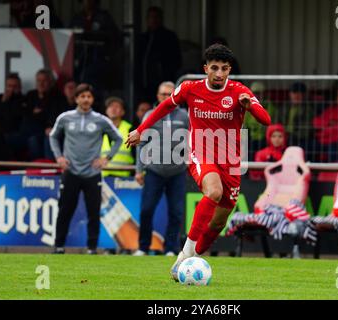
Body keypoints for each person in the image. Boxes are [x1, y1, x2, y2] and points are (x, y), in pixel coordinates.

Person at [126, 44, 271, 280]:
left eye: (224, 69)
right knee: (213, 192)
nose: (219, 73)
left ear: (229, 69)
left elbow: (266, 120)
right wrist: (142, 130)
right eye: (214, 68)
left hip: (231, 162)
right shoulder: (190, 89)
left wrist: (250, 106)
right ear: (206, 68)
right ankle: (184, 255)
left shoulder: (239, 91)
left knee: (218, 223)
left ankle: (191, 260)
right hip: (201, 154)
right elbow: (164, 107)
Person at [49, 84, 123, 254]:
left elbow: (118, 139)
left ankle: (91, 248)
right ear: (76, 99)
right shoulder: (65, 118)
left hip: (92, 173)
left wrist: (106, 158)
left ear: (92, 99)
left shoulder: (101, 120)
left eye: (88, 97)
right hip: (71, 171)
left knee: (93, 212)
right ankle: (59, 246)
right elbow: (53, 136)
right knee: (65, 210)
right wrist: (59, 156)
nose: (85, 100)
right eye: (82, 96)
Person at [133, 81, 189, 257]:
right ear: (157, 96)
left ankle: (170, 249)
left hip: (178, 171)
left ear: (175, 95)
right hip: (154, 171)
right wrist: (138, 170)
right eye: (163, 94)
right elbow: (141, 143)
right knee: (146, 209)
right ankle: (143, 247)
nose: (166, 97)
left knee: (176, 212)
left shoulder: (185, 116)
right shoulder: (150, 114)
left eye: (169, 94)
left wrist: (190, 163)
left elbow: (192, 140)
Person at [137, 6, 182, 103]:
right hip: (144, 83)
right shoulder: (142, 38)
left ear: (161, 19)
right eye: (151, 17)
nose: (153, 20)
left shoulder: (169, 37)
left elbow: (176, 61)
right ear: (147, 19)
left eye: (156, 17)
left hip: (163, 82)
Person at [19, 69, 65, 160]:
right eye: (39, 80)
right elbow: (24, 114)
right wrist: (35, 114)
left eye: (44, 81)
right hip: (32, 130)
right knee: (26, 140)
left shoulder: (57, 96)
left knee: (44, 139)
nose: (41, 83)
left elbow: (54, 115)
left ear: (50, 82)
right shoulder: (31, 95)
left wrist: (37, 114)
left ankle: (47, 169)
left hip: (49, 130)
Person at [313, 85, 338, 162]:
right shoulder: (330, 110)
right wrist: (329, 122)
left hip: (337, 141)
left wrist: (329, 125)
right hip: (323, 140)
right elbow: (316, 122)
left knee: (333, 150)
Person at [277, 82, 315, 160]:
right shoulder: (283, 108)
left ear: (304, 95)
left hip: (300, 139)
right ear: (290, 94)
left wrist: (290, 135)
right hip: (283, 137)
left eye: (299, 93)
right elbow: (277, 124)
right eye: (294, 92)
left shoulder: (308, 109)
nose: (296, 96)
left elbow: (306, 130)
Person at [101, 97, 134, 177]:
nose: (113, 109)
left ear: (123, 112)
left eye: (117, 106)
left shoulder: (130, 129)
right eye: (110, 106)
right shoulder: (100, 130)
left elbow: (138, 153)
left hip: (125, 178)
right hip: (103, 177)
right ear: (106, 111)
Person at [0, 73, 23, 138]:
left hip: (14, 133)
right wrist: (3, 102)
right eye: (9, 86)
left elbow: (14, 118)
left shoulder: (23, 99)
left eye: (14, 86)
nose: (11, 89)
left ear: (20, 87)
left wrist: (5, 103)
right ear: (6, 87)